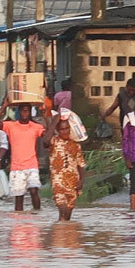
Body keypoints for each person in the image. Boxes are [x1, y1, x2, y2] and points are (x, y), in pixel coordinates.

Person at [48, 91, 88, 221]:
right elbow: (44, 142)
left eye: (66, 129)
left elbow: (81, 164)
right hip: (58, 182)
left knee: (68, 216)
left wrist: (81, 181)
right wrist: (55, 122)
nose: (64, 131)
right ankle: (59, 237)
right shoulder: (53, 141)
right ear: (58, 131)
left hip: (73, 182)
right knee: (62, 209)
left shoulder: (75, 144)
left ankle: (66, 238)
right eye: (62, 129)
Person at [3, 101, 47, 212]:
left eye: (27, 111)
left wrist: (46, 117)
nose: (25, 113)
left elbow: (47, 137)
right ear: (19, 111)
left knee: (34, 191)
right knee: (19, 198)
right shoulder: (11, 126)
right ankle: (19, 222)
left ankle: (37, 215)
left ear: (30, 112)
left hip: (32, 165)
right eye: (22, 110)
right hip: (16, 168)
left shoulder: (36, 127)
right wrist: (5, 106)